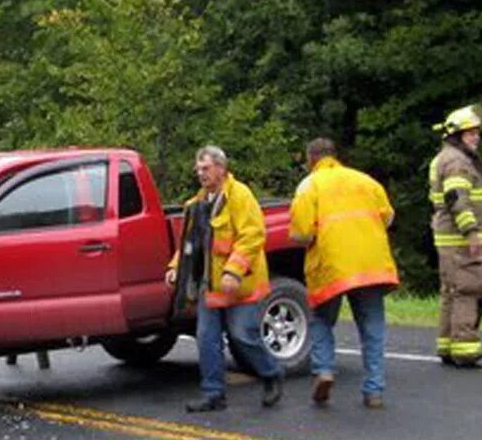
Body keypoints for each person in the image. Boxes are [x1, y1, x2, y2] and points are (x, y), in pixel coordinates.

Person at [167, 145, 283, 412]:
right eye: (198, 169)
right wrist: (175, 268)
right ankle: (213, 394)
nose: (200, 173)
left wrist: (233, 270)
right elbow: (188, 245)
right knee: (207, 338)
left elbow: (252, 235)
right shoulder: (196, 205)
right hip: (211, 286)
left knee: (243, 335)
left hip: (240, 284)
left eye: (205, 168)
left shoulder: (240, 196)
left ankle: (271, 373)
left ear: (221, 168)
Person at [289, 138, 400, 409]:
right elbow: (388, 218)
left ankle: (324, 370)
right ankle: (374, 389)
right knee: (372, 327)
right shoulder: (366, 181)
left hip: (332, 265)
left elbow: (302, 234)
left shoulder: (309, 185)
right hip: (371, 265)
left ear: (311, 159)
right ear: (335, 156)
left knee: (321, 320)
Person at [428, 105, 482, 368]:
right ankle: (467, 350)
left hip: (448, 237)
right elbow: (457, 199)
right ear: (456, 136)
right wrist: (471, 232)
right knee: (470, 288)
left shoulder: (444, 158)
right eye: (470, 133)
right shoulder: (457, 161)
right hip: (461, 237)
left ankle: (448, 345)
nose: (476, 137)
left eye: (477, 132)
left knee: (452, 291)